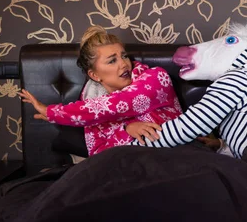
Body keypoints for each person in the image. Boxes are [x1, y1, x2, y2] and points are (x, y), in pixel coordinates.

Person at [19, 25, 185, 156]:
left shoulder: (156, 77)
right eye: (112, 61)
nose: (124, 64)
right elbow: (99, 154)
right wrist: (127, 131)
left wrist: (54, 112)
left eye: (124, 56)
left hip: (173, 158)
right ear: (94, 75)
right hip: (130, 172)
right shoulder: (93, 112)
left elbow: (121, 104)